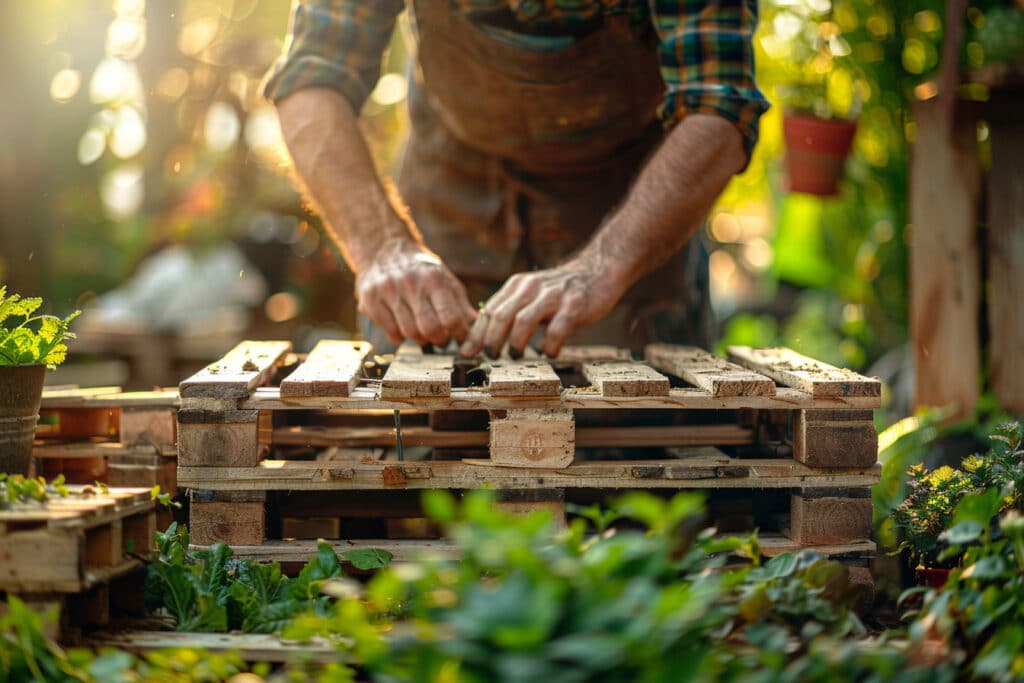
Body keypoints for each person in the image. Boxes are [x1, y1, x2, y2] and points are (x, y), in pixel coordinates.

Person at [265, 0, 767, 358]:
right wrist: (382, 248)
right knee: (412, 447)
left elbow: (718, 104)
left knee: (633, 470)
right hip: (447, 190)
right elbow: (314, 75)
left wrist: (602, 268)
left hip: (630, 206)